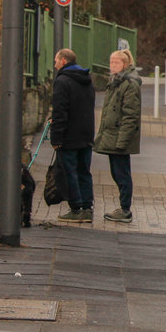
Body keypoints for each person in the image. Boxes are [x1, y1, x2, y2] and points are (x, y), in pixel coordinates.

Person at [95, 48, 142, 223]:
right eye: (111, 62)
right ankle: (123, 208)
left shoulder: (128, 84)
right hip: (113, 136)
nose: (112, 65)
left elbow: (131, 116)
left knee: (122, 174)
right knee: (117, 173)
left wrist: (122, 141)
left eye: (116, 62)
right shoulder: (116, 82)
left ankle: (125, 209)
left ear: (125, 64)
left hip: (119, 138)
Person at [50, 48, 95, 223]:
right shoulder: (87, 80)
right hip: (86, 133)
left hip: (69, 135)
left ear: (63, 61)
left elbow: (60, 111)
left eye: (55, 61)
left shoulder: (62, 81)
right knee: (84, 171)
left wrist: (56, 138)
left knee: (70, 172)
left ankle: (75, 208)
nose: (54, 65)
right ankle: (87, 207)